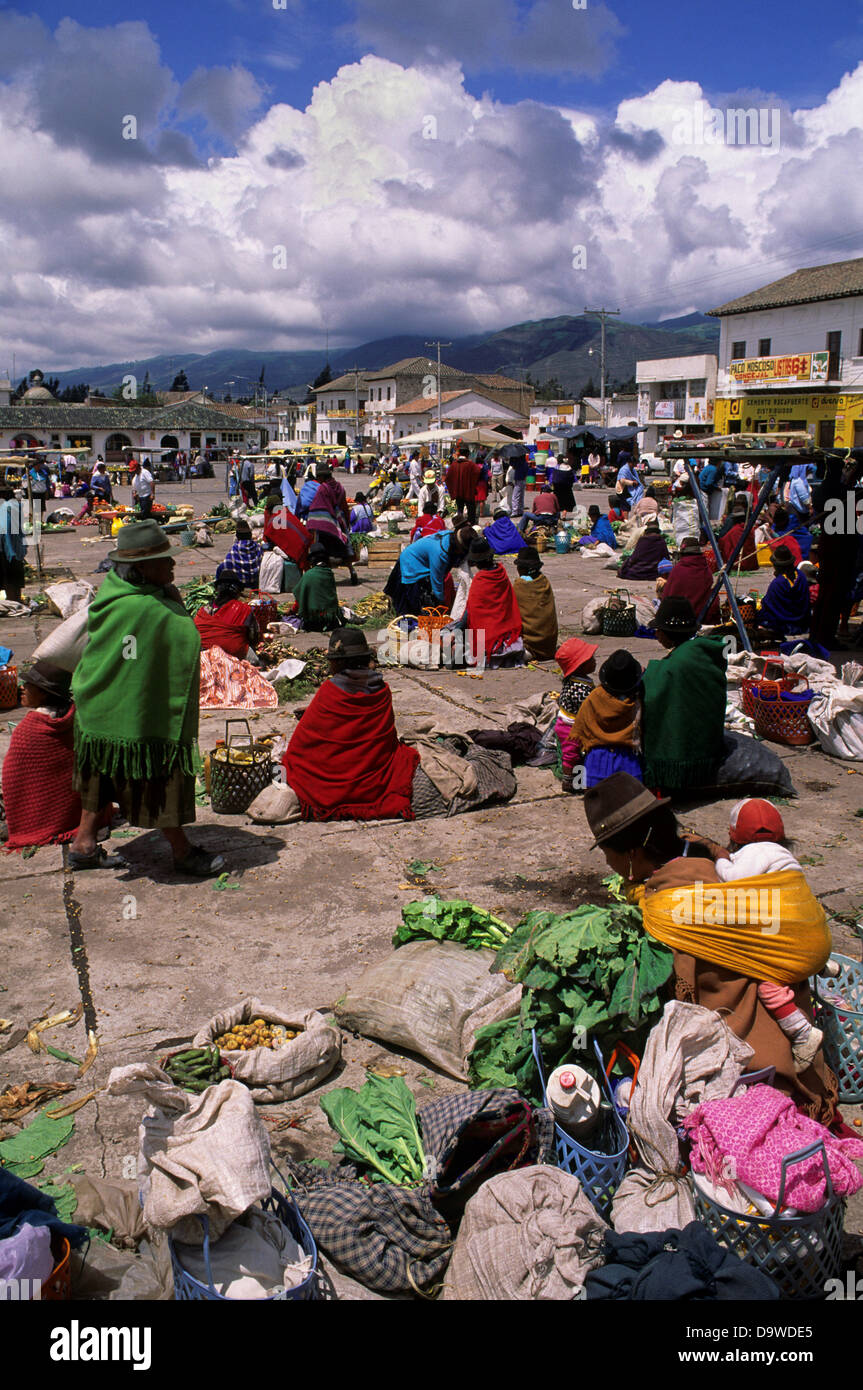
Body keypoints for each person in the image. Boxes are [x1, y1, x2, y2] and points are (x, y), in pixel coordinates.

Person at [583, 773, 837, 1121]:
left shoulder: (669, 909)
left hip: (758, 1063)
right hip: (795, 1029)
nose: (607, 864)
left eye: (607, 853)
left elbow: (681, 1001)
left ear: (631, 853)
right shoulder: (704, 857)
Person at [69, 521, 224, 877]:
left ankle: (84, 844)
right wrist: (178, 607)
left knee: (103, 772)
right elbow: (187, 641)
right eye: (163, 560)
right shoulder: (149, 609)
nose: (171, 566)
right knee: (152, 771)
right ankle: (182, 852)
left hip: (98, 710)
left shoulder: (111, 593)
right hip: (134, 716)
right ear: (141, 568)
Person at [701, 799, 822, 1072]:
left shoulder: (752, 855)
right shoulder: (786, 858)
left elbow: (732, 881)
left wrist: (719, 857)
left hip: (785, 939)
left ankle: (801, 1032)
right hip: (807, 930)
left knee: (767, 985)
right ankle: (823, 964)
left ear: (734, 835)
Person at [280, 627, 420, 821]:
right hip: (374, 780)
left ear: (337, 663)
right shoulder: (381, 690)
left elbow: (300, 748)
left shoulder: (330, 692)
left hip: (329, 788)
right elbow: (382, 741)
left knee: (289, 763)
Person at [2, 661, 108, 851]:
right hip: (79, 812)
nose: (22, 689)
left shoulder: (29, 730)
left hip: (40, 818)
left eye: (28, 686)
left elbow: (14, 782)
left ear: (43, 693)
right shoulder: (76, 717)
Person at [641, 597, 727, 796]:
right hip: (710, 747)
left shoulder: (678, 664)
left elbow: (653, 699)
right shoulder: (701, 652)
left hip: (687, 758)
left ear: (668, 634)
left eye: (658, 630)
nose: (656, 634)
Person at [194, 572, 276, 710]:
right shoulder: (243, 609)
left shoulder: (203, 610)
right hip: (233, 656)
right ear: (236, 591)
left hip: (203, 658)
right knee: (255, 662)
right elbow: (253, 636)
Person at [567, 650, 643, 788]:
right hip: (627, 761)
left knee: (596, 797)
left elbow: (580, 728)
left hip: (596, 762)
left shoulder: (595, 697)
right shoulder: (636, 701)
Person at [454, 535, 524, 668]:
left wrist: (456, 630)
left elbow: (470, 611)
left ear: (477, 562)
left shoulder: (481, 579)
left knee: (454, 649)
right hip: (507, 636)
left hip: (488, 639)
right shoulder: (501, 573)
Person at [384, 525, 474, 614]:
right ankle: (405, 626)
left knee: (422, 601)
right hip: (410, 564)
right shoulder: (440, 553)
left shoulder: (450, 536)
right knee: (408, 607)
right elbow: (437, 581)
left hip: (419, 561)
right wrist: (441, 603)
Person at [553, 638, 598, 793]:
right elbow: (588, 710)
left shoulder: (579, 680)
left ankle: (577, 780)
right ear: (580, 666)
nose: (595, 661)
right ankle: (570, 782)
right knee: (572, 755)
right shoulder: (580, 689)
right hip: (569, 727)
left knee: (577, 754)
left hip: (570, 722)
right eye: (591, 659)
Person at [306, 465, 358, 584]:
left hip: (327, 524)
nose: (317, 479)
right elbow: (344, 506)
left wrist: (311, 520)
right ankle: (352, 572)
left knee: (324, 551)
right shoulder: (340, 487)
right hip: (340, 522)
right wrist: (347, 521)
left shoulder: (322, 489)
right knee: (344, 550)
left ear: (322, 476)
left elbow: (317, 506)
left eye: (318, 477)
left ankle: (325, 576)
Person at [660, 536, 720, 624]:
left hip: (680, 619)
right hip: (702, 616)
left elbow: (667, 596)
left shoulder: (678, 570)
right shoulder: (706, 570)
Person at [512, 547, 558, 661]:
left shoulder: (520, 585)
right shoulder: (544, 582)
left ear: (522, 569)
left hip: (530, 647)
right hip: (549, 647)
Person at [758, 545, 811, 638]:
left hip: (784, 622)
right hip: (802, 621)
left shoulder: (778, 583)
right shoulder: (801, 576)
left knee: (760, 615)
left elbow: (768, 604)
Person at [291, 543, 345, 632]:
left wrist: (292, 611)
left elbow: (300, 597)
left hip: (313, 621)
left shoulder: (308, 575)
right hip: (330, 619)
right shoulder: (329, 574)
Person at [262, 492, 311, 574]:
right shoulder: (286, 512)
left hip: (299, 549)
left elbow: (267, 538)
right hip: (306, 543)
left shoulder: (275, 520)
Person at [0, 485, 26, 602]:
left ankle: (13, 603)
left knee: (10, 580)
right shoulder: (16, 507)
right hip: (15, 549)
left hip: (8, 550)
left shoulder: (6, 508)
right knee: (16, 579)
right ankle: (17, 601)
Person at [219, 521, 263, 588]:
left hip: (240, 584)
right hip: (255, 582)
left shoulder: (235, 548)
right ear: (250, 535)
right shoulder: (257, 547)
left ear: (237, 536)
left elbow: (227, 563)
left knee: (221, 567)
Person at [446, 451, 482, 525]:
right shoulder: (471, 464)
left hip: (458, 492)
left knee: (460, 509)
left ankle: (460, 524)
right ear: (468, 455)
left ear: (459, 454)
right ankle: (471, 525)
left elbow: (448, 478)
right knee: (471, 510)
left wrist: (454, 489)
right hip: (468, 492)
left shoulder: (454, 465)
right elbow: (478, 472)